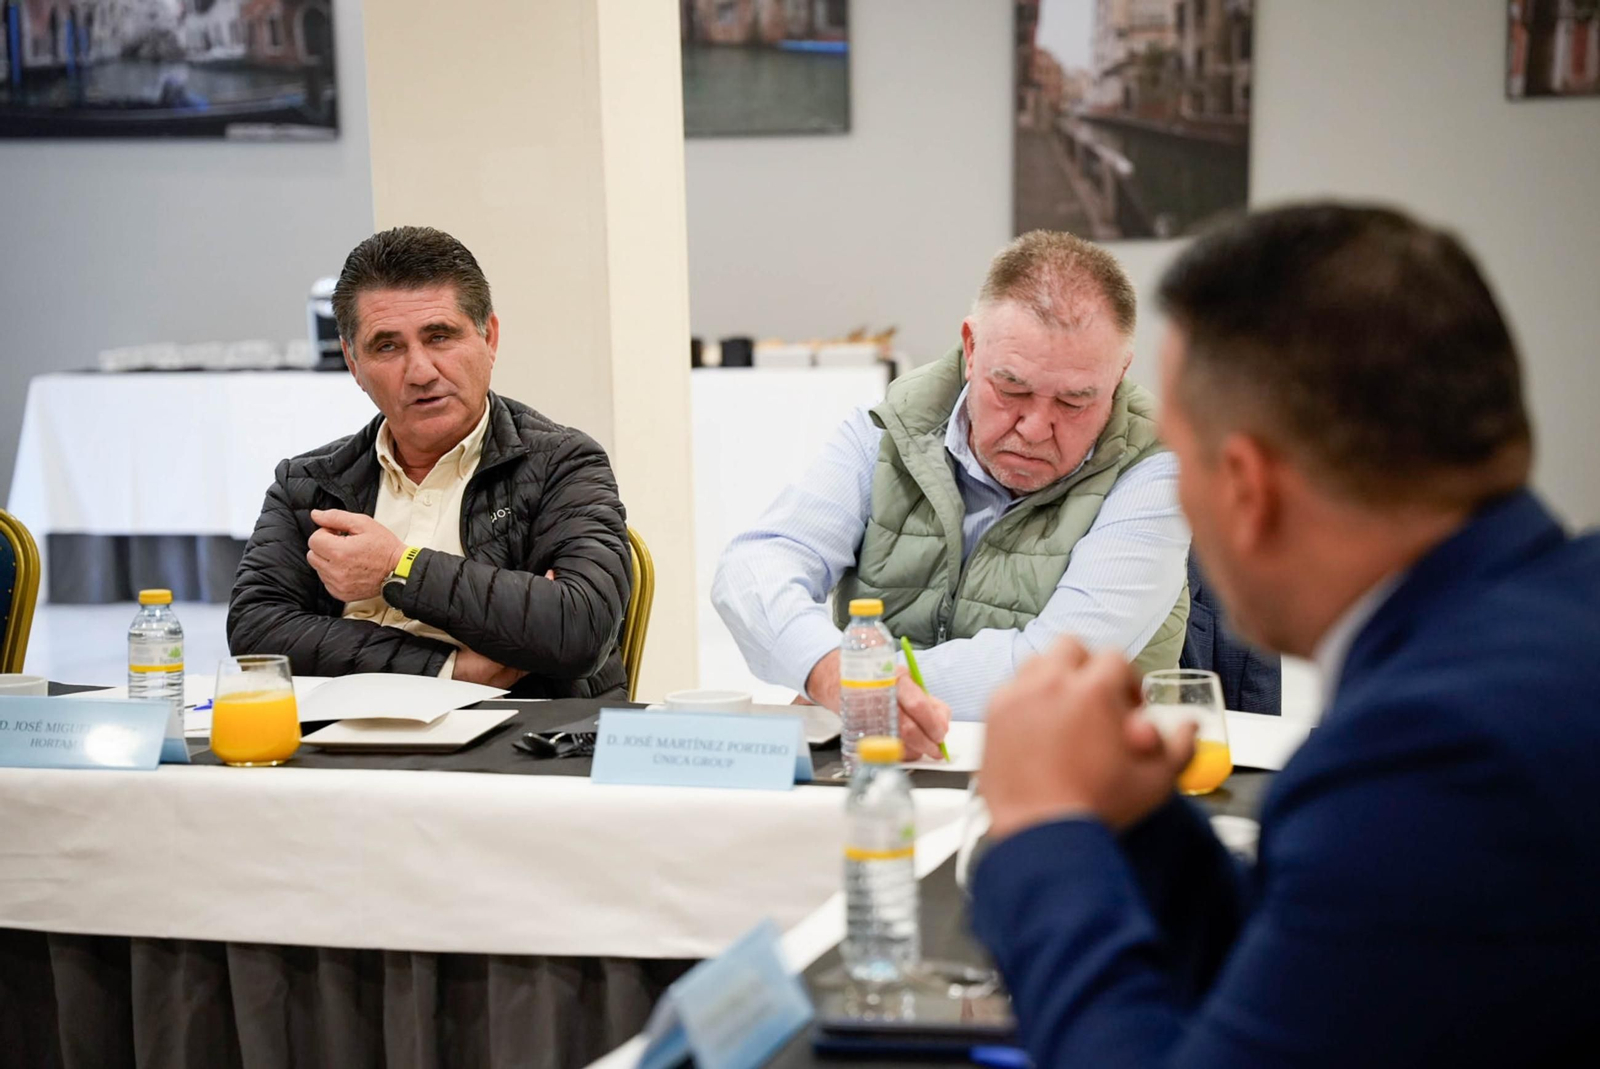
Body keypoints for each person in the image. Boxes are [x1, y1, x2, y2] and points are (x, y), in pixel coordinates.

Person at [972, 204, 1600, 1066]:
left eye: (1181, 460)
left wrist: (1044, 829)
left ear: (1245, 488)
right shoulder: (1536, 634)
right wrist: (1140, 823)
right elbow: (1322, 987)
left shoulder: (1438, 754)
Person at [713, 231, 1191, 753]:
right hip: (881, 767)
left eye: (1075, 402)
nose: (1034, 427)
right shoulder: (888, 428)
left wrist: (862, 684)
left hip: (1080, 782)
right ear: (970, 347)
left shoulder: (1156, 470)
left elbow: (1056, 666)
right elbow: (755, 564)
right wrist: (828, 671)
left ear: (1119, 374)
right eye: (1011, 388)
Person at [228, 226, 631, 699]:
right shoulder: (309, 483)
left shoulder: (562, 464)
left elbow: (578, 629)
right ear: (353, 363)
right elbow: (257, 633)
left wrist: (398, 568)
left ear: (490, 338)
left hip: (516, 747)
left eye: (440, 336)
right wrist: (448, 669)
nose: (420, 372)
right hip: (343, 744)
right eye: (387, 346)